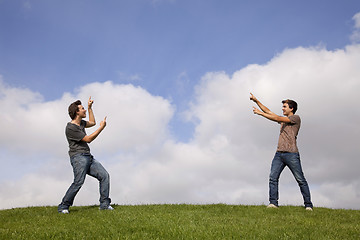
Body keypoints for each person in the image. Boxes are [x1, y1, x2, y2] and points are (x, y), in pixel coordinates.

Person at [250, 93, 313, 211]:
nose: (282, 108)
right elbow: (269, 112)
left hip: (291, 154)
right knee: (273, 178)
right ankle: (273, 203)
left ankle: (308, 205)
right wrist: (256, 100)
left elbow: (277, 118)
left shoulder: (295, 118)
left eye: (285, 106)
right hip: (279, 154)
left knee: (300, 179)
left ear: (291, 108)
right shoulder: (284, 120)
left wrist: (260, 113)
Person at [58, 97, 113, 213]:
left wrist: (89, 108)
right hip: (78, 157)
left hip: (88, 156)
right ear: (77, 112)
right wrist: (101, 128)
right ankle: (63, 206)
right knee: (78, 182)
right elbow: (88, 139)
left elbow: (92, 122)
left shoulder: (81, 123)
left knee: (104, 176)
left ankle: (104, 205)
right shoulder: (71, 127)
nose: (84, 111)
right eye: (82, 109)